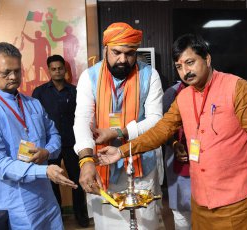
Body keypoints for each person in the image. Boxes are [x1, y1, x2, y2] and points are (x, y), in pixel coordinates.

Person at [98, 34, 247, 230]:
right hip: (200, 200)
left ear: (206, 59)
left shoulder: (237, 88)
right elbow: (161, 130)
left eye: (190, 63)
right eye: (179, 67)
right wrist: (122, 151)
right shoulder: (183, 97)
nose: (185, 71)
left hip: (236, 200)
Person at [0, 42, 77, 229]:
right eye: (6, 73)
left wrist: (47, 152)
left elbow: (54, 134)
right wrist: (44, 170)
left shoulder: (33, 103)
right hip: (14, 203)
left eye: (17, 71)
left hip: (46, 198)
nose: (13, 77)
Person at [74, 22, 164, 229]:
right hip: (102, 162)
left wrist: (118, 132)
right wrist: (86, 160)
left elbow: (155, 120)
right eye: (116, 52)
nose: (123, 59)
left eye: (130, 53)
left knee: (144, 224)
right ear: (105, 49)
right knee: (108, 223)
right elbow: (81, 120)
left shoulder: (150, 75)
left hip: (140, 163)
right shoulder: (90, 77)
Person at [32, 54, 89, 227]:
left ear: (65, 69)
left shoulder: (74, 91)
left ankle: (81, 215)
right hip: (50, 145)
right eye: (53, 69)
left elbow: (82, 117)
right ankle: (57, 216)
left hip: (72, 143)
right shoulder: (39, 93)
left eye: (60, 68)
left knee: (77, 179)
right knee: (52, 181)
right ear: (48, 70)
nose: (57, 72)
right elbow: (36, 119)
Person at [163, 80, 191, 230]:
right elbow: (161, 128)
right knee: (181, 211)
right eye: (180, 66)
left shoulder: (217, 90)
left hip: (207, 160)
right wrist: (174, 144)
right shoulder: (172, 93)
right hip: (178, 157)